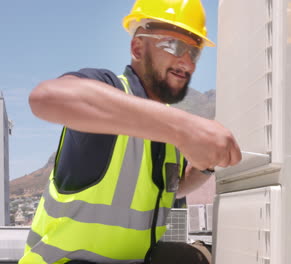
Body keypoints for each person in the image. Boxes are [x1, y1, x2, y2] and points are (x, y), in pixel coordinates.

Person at [19, 0, 241, 263]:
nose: (188, 63)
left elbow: (174, 189)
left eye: (194, 53)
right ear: (137, 46)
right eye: (175, 45)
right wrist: (184, 128)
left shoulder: (168, 133)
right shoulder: (110, 90)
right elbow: (46, 98)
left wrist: (207, 165)